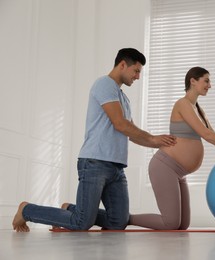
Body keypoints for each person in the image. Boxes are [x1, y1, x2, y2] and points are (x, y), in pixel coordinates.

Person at [12, 48, 177, 232]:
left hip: (117, 167)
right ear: (123, 65)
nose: (138, 76)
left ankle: (70, 210)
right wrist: (154, 138)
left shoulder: (124, 98)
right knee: (81, 223)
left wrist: (159, 143)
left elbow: (130, 133)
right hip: (95, 162)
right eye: (136, 71)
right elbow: (120, 124)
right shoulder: (104, 84)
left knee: (118, 222)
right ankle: (26, 210)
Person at [129, 66, 215, 230]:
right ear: (193, 81)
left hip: (179, 172)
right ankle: (125, 219)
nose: (209, 85)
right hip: (165, 166)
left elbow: (213, 134)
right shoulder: (183, 104)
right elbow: (207, 135)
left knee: (182, 225)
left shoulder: (198, 109)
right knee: (171, 223)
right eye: (206, 80)